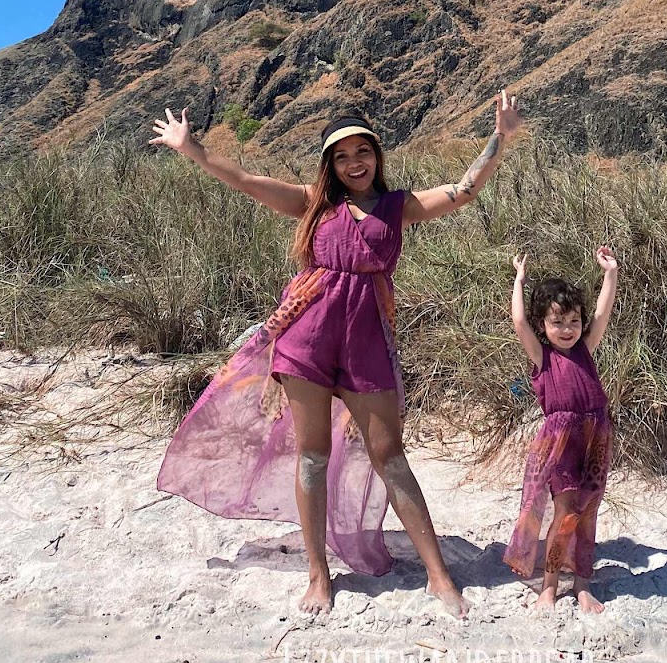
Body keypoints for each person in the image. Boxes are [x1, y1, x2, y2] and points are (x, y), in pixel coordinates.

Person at [152, 92, 523, 617]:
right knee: (312, 455)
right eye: (343, 155)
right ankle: (318, 575)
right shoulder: (313, 204)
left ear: (377, 156)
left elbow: (463, 190)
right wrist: (193, 150)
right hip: (308, 338)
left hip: (367, 340)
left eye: (363, 152)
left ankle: (439, 574)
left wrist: (500, 139)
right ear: (330, 163)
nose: (355, 162)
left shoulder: (398, 207)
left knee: (390, 457)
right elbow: (244, 181)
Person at [504, 245, 619, 612]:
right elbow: (519, 323)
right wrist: (519, 280)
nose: (567, 329)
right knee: (564, 509)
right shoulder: (542, 357)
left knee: (588, 510)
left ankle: (583, 584)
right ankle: (549, 586)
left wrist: (610, 273)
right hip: (560, 441)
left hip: (595, 435)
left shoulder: (586, 346)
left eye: (573, 321)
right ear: (544, 326)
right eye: (557, 322)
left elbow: (602, 312)